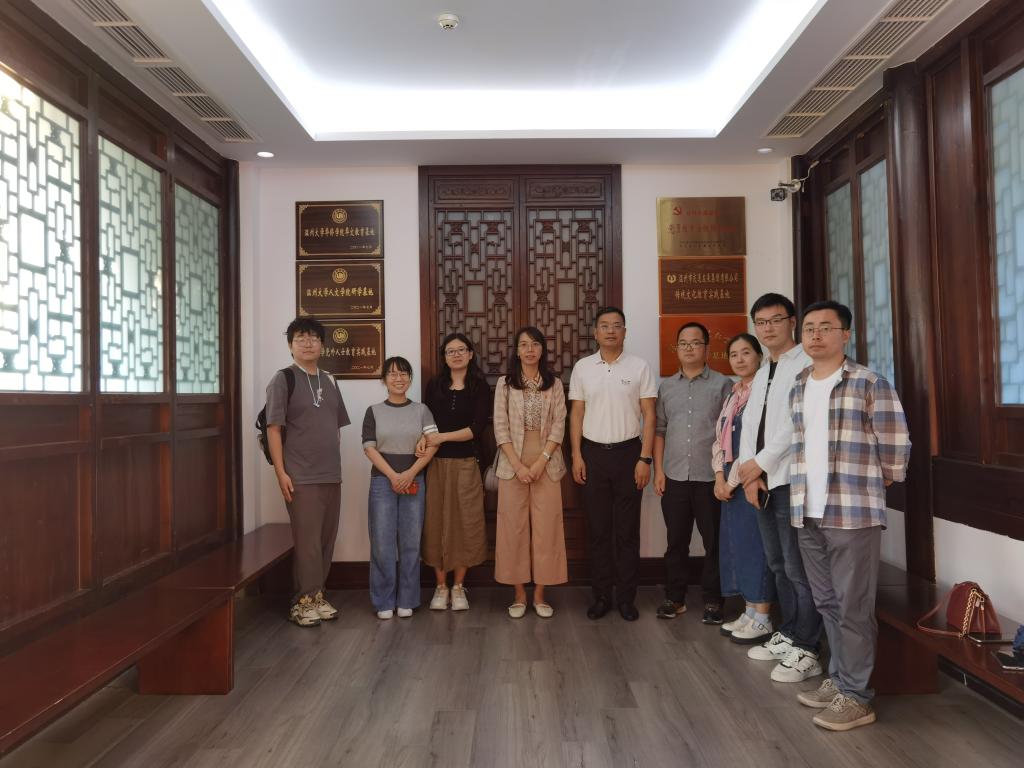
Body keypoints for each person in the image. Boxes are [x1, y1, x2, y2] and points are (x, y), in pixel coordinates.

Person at [790, 300, 910, 731]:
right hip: (807, 511)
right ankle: (840, 679)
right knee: (827, 601)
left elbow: (895, 444)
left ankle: (857, 696)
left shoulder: (868, 382)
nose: (815, 334)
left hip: (852, 513)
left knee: (853, 606)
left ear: (846, 334)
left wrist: (876, 484)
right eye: (809, 327)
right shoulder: (799, 384)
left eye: (826, 327)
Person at [735, 293, 823, 682]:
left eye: (775, 320)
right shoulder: (763, 369)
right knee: (777, 564)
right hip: (762, 480)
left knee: (797, 567)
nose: (767, 328)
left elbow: (794, 424)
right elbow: (750, 425)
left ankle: (808, 646)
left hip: (789, 480)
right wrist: (748, 473)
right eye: (761, 322)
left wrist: (760, 465)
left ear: (792, 322)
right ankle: (789, 633)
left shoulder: (805, 363)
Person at [569, 306, 657, 622]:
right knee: (598, 531)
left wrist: (645, 458)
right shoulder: (582, 368)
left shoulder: (640, 366)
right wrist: (576, 455)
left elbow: (649, 415)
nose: (610, 331)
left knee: (627, 531)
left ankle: (627, 598)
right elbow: (576, 414)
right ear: (595, 332)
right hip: (593, 454)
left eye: (616, 325)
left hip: (629, 455)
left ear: (625, 332)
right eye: (604, 326)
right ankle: (602, 596)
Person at [265, 317, 351, 627]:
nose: (308, 343)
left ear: (322, 345)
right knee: (307, 542)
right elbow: (274, 429)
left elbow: (335, 428)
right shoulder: (283, 379)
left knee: (326, 539)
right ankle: (301, 602)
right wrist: (281, 473)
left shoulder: (330, 380)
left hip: (331, 473)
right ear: (290, 345)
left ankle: (317, 596)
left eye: (314, 338)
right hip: (300, 475)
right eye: (300, 338)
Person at [653, 321, 732, 623]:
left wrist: (725, 474)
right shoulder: (666, 387)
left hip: (711, 478)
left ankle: (713, 601)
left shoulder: (723, 385)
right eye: (683, 343)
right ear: (677, 348)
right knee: (676, 543)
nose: (689, 348)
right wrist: (659, 471)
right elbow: (660, 430)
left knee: (714, 543)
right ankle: (675, 598)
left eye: (695, 343)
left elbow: (729, 433)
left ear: (706, 348)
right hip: (674, 476)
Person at [493, 326, 569, 618]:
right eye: (524, 344)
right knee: (513, 527)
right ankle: (518, 595)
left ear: (542, 350)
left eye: (535, 344)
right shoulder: (505, 384)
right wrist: (518, 464)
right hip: (512, 461)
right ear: (516, 350)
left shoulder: (554, 384)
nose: (529, 350)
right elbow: (500, 426)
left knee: (547, 527)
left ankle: (539, 594)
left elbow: (559, 424)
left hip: (547, 461)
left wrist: (540, 461)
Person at [361, 357, 439, 620]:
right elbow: (369, 448)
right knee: (382, 543)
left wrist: (410, 473)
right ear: (384, 380)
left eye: (404, 373)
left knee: (410, 542)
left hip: (414, 478)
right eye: (392, 374)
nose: (399, 378)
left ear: (410, 379)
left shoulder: (421, 410)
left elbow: (433, 443)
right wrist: (394, 476)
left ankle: (407, 599)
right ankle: (383, 600)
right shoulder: (373, 411)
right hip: (383, 481)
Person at [712, 333, 776, 644]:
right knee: (737, 546)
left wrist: (731, 481)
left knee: (756, 546)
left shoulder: (764, 393)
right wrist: (718, 476)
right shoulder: (733, 395)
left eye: (746, 352)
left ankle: (763, 616)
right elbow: (720, 441)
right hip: (729, 478)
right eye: (734, 354)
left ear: (759, 357)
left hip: (749, 478)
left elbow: (754, 444)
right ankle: (750, 610)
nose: (739, 359)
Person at [418, 332, 489, 611]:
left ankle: (458, 586)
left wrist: (443, 437)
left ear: (471, 355)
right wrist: (426, 439)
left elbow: (477, 428)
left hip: (467, 462)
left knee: (465, 523)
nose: (456, 355)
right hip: (435, 463)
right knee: (435, 522)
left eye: (461, 350)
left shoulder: (479, 386)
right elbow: (425, 422)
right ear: (444, 357)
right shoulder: (434, 385)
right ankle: (440, 586)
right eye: (450, 351)